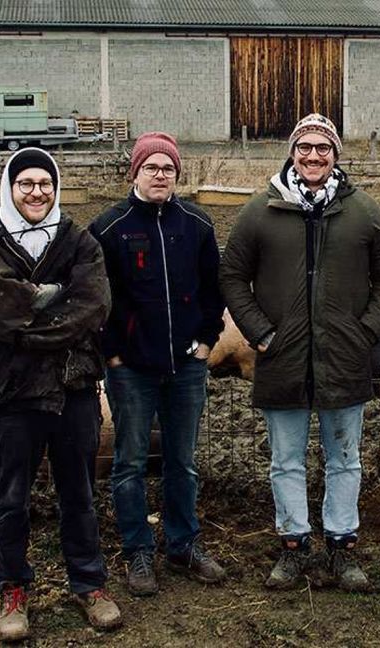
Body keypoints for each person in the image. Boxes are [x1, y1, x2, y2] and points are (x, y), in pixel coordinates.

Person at [219, 113, 380, 592]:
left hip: (344, 356)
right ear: (292, 153)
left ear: (336, 154)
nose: (314, 156)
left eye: (323, 147)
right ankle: (294, 546)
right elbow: (233, 277)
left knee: (345, 457)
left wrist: (367, 332)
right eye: (305, 147)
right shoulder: (261, 210)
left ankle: (343, 547)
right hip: (282, 356)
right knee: (286, 459)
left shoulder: (363, 210)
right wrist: (259, 331)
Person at [0, 147, 121, 642]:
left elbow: (94, 305)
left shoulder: (79, 241)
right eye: (26, 183)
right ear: (10, 189)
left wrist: (32, 321)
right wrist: (47, 307)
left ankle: (89, 584)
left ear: (56, 187)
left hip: (74, 385)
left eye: (45, 183)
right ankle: (12, 588)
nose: (37, 192)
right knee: (11, 496)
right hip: (14, 392)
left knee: (79, 492)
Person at [89, 132, 227, 596]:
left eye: (168, 168)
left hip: (186, 365)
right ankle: (137, 550)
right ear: (135, 172)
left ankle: (183, 542)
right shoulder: (109, 228)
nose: (160, 175)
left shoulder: (197, 224)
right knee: (128, 461)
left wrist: (207, 342)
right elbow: (97, 298)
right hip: (131, 368)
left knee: (182, 461)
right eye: (152, 167)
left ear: (177, 175)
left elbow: (215, 290)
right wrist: (112, 352)